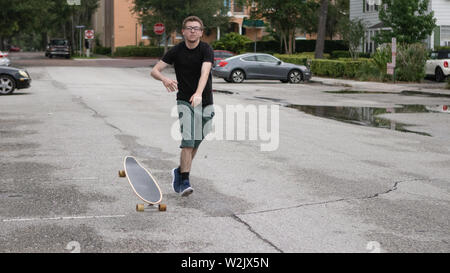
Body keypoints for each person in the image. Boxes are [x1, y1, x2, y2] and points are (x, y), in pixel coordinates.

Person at [150, 16, 214, 197]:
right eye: (189, 28)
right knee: (188, 141)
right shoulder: (176, 51)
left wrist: (199, 93)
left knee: (196, 142)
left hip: (206, 102)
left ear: (201, 32)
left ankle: (179, 170)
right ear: (183, 31)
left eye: (196, 28)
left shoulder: (206, 49)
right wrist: (164, 79)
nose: (193, 31)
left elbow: (205, 72)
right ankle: (184, 180)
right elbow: (154, 70)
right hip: (185, 101)